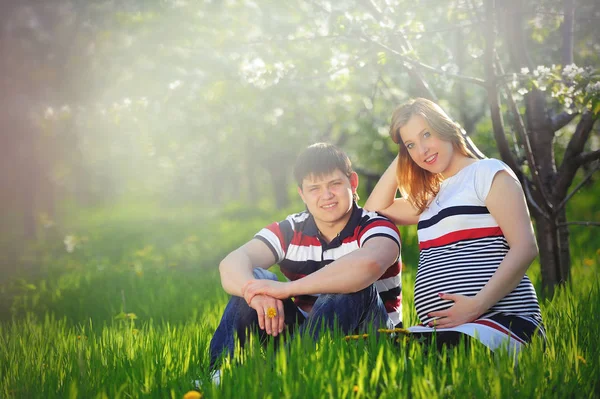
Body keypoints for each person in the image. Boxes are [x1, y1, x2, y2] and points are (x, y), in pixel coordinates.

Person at [364, 98, 545, 353]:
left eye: (426, 134)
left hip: (503, 322)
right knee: (379, 352)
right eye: (412, 145)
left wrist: (477, 305)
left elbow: (526, 247)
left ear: (445, 127)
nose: (423, 150)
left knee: (417, 352)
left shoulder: (488, 172)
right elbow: (373, 211)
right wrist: (403, 155)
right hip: (445, 330)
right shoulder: (430, 196)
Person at [208, 143, 403, 379]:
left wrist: (286, 289)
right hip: (305, 336)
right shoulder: (291, 229)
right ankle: (221, 375)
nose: (326, 195)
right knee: (256, 280)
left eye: (335, 184)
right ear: (302, 193)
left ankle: (284, 374)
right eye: (314, 188)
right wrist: (256, 293)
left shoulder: (377, 225)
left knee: (351, 284)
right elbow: (233, 262)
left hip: (369, 341)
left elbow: (368, 265)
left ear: (352, 183)